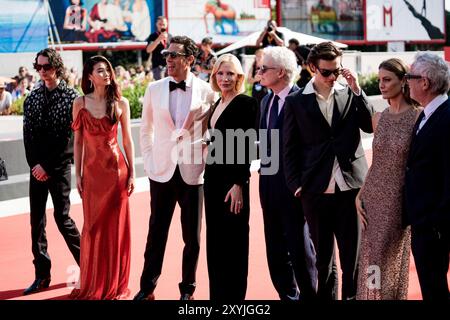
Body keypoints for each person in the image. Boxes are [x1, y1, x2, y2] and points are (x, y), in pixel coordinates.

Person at [283, 42, 374, 300]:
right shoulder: (295, 102)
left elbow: (369, 126)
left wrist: (357, 89)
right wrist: (295, 185)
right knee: (323, 262)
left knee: (352, 260)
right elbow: (289, 148)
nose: (333, 77)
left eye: (337, 70)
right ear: (313, 68)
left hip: (352, 189)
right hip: (315, 190)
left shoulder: (349, 92)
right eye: (326, 72)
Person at [135, 36, 216, 301]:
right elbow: (145, 129)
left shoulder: (207, 90)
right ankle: (147, 288)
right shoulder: (154, 88)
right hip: (161, 170)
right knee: (156, 234)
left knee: (191, 238)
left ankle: (187, 290)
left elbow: (212, 130)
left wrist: (203, 150)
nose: (168, 59)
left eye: (174, 55)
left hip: (193, 172)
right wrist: (148, 160)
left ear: (190, 60)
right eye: (167, 54)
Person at [69, 55, 135, 300]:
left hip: (117, 172)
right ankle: (93, 281)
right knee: (93, 228)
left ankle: (115, 284)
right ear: (89, 76)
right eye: (100, 70)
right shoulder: (79, 103)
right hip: (92, 175)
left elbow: (127, 140)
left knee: (115, 229)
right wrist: (77, 173)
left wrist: (132, 173)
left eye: (108, 70)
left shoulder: (121, 103)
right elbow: (77, 142)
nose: (106, 74)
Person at [355, 58, 421, 300]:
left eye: (387, 80)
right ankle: (372, 296)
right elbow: (378, 162)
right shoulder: (379, 118)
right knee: (371, 258)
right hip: (371, 199)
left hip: (397, 201)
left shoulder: (417, 118)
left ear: (403, 81)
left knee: (386, 259)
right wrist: (360, 195)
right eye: (380, 79)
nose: (381, 85)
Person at [257, 46, 317, 301]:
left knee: (300, 250)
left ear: (281, 72)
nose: (259, 72)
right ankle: (288, 297)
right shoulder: (265, 101)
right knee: (275, 252)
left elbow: (312, 147)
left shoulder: (304, 100)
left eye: (263, 68)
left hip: (294, 189)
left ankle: (310, 296)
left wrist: (303, 184)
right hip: (268, 185)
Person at [22, 48, 81, 295]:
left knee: (62, 218)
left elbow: (69, 139)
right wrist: (35, 166)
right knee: (36, 221)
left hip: (58, 168)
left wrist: (46, 166)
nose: (42, 71)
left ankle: (88, 265)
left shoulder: (71, 97)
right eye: (39, 67)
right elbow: (28, 135)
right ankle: (42, 275)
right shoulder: (32, 98)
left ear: (57, 66)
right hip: (36, 169)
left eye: (47, 66)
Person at [204, 53, 257, 300]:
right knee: (215, 243)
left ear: (239, 77)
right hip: (212, 179)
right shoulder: (217, 103)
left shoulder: (246, 103)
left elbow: (246, 146)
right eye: (220, 73)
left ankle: (235, 300)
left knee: (233, 245)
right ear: (214, 75)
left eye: (230, 74)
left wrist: (239, 183)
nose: (225, 78)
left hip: (232, 182)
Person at [403, 52, 450, 300]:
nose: (406, 81)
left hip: (435, 225)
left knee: (435, 288)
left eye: (410, 76)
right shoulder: (426, 113)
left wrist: (435, 222)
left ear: (425, 82)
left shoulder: (446, 115)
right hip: (424, 221)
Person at [146, 16, 171, 80]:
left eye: (164, 24)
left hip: (169, 66)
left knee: (170, 86)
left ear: (167, 25)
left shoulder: (170, 36)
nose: (162, 26)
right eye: (160, 24)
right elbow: (148, 50)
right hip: (157, 66)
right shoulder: (153, 36)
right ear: (156, 24)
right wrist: (158, 39)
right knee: (161, 86)